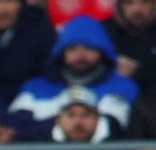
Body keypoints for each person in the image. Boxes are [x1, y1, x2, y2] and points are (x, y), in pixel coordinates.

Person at [8, 15, 141, 139]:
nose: (80, 55)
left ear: (102, 52)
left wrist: (55, 124)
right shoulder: (35, 88)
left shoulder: (122, 87)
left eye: (89, 48)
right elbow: (15, 128)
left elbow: (112, 129)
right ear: (61, 52)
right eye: (73, 48)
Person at [26, 85, 147, 150]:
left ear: (97, 119)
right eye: (71, 115)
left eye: (85, 115)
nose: (78, 122)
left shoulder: (116, 148)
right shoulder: (42, 148)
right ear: (58, 120)